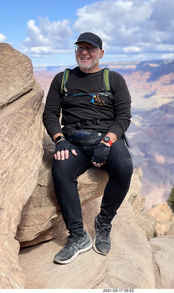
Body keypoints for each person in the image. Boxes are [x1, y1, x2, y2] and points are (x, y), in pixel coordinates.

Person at [43, 32, 133, 264]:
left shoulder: (114, 79)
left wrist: (108, 141)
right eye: (80, 48)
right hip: (72, 140)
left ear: (100, 53)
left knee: (124, 167)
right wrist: (59, 139)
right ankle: (78, 236)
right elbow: (50, 114)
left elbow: (123, 117)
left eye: (90, 49)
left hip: (105, 138)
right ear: (75, 51)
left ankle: (103, 222)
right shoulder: (61, 79)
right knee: (61, 171)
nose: (84, 53)